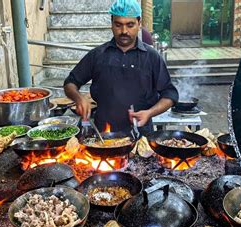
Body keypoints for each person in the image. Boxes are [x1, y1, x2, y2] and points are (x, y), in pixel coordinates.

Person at [63, 0, 177, 135]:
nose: (124, 31)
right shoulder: (98, 55)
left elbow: (170, 95)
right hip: (103, 136)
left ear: (139, 24)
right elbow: (70, 83)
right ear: (111, 24)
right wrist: (79, 98)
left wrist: (149, 113)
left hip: (141, 136)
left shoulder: (151, 57)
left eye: (130, 25)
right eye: (118, 25)